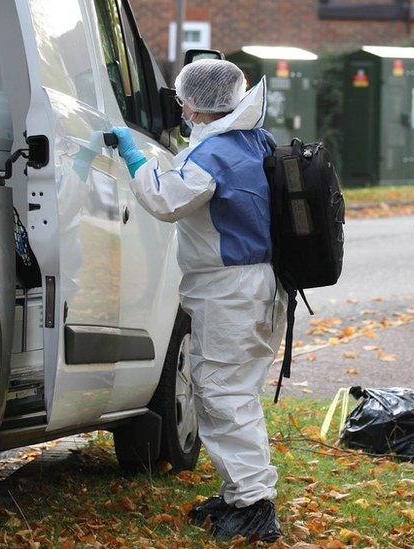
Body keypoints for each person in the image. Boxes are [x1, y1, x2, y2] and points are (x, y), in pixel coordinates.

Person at [110, 59, 285, 543]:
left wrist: (134, 157)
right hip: (259, 288)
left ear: (198, 103)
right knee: (231, 392)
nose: (181, 108)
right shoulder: (253, 140)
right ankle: (241, 494)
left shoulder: (216, 154)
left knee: (225, 395)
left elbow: (167, 202)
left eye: (185, 100)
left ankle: (252, 504)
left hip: (233, 292)